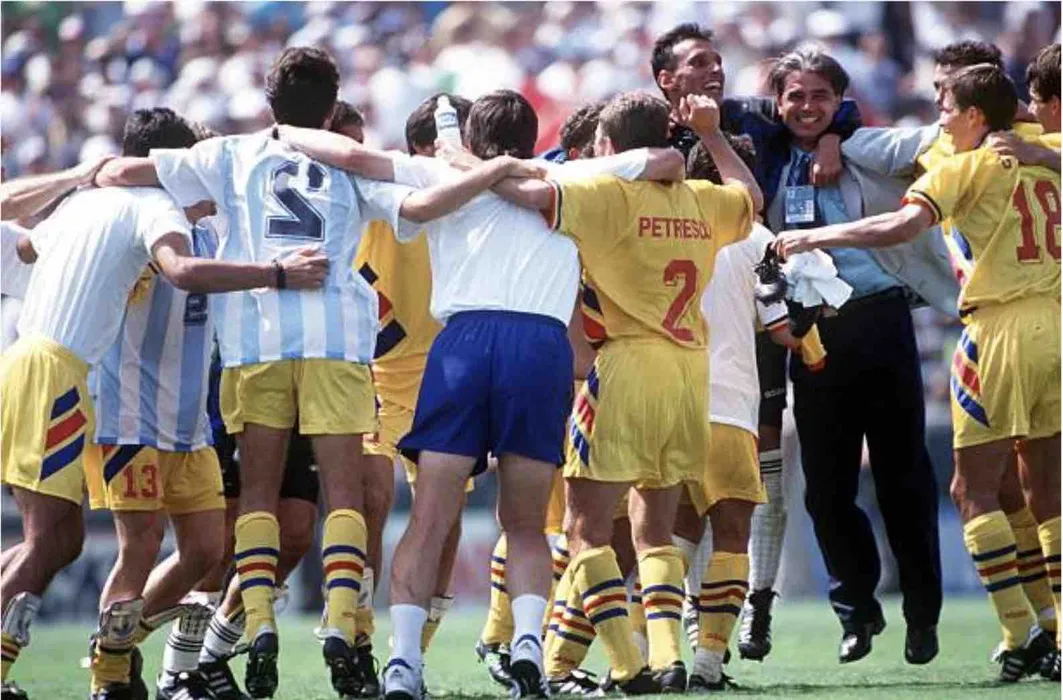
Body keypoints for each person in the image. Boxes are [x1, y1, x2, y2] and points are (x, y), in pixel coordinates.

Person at [93, 47, 540, 699]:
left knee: (257, 497)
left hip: (256, 341)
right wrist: (493, 170)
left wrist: (116, 177)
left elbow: (119, 171)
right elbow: (419, 209)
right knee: (346, 495)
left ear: (268, 102)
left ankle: (261, 624)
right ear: (331, 108)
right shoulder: (346, 161)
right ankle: (339, 618)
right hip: (336, 341)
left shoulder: (227, 154)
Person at [275, 87, 686, 699]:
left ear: (470, 139)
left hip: (463, 347)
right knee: (525, 523)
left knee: (429, 518)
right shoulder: (570, 176)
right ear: (532, 137)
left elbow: (353, 157)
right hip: (539, 348)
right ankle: (527, 647)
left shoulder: (443, 172)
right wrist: (513, 171)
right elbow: (666, 159)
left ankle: (403, 663)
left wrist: (283, 131)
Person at [0, 118, 328, 700]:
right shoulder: (153, 211)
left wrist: (77, 178)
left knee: (191, 547)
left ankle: (113, 660)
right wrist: (279, 275)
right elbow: (178, 270)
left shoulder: (92, 209)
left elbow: (23, 242)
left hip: (157, 410)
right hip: (97, 395)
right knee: (63, 542)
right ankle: (109, 674)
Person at [775, 63, 1060, 683]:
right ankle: (1055, 629)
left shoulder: (964, 163)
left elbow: (901, 225)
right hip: (1056, 322)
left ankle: (1019, 634)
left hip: (999, 328)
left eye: (947, 107)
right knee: (1047, 492)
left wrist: (817, 237)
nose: (941, 119)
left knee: (972, 489)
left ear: (975, 114)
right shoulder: (1049, 147)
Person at [490, 90, 760, 693]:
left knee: (585, 531)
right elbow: (750, 196)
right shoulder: (702, 198)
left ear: (609, 147)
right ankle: (668, 658)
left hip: (626, 363)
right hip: (688, 371)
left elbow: (527, 195)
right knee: (655, 532)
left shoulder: (607, 194)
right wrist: (711, 134)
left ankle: (626, 666)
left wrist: (472, 168)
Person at [346, 94, 470, 696]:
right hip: (377, 375)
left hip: (447, 378)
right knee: (368, 504)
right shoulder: (384, 188)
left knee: (442, 521)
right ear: (425, 147)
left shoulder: (480, 196)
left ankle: (410, 652)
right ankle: (356, 637)